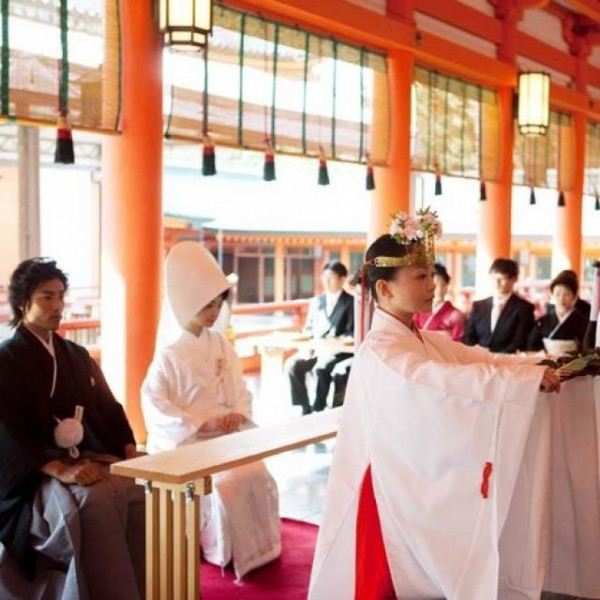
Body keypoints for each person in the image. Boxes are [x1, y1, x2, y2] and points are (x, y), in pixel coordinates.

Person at [309, 209, 561, 600]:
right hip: (386, 491)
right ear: (385, 290)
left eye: (431, 274)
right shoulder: (381, 351)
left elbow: (475, 359)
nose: (432, 284)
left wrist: (532, 366)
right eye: (420, 276)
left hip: (407, 476)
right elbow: (440, 380)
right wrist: (521, 380)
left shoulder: (418, 338)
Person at [0, 258, 144, 599]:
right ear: (23, 303)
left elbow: (108, 408)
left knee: (143, 486)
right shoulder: (5, 360)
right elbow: (3, 430)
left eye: (61, 296)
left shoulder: (76, 356)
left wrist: (127, 448)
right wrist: (58, 470)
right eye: (46, 297)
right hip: (34, 471)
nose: (58, 306)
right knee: (94, 502)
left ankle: (149, 588)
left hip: (83, 455)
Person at [141, 242, 280, 580]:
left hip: (226, 434)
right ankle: (221, 549)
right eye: (207, 305)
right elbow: (155, 404)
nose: (214, 312)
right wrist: (201, 423)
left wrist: (235, 414)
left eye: (218, 304)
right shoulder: (169, 355)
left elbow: (240, 392)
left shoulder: (221, 345)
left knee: (256, 472)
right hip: (190, 440)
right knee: (227, 481)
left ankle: (262, 549)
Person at [285, 261, 354, 415]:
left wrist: (335, 340)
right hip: (316, 350)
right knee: (292, 365)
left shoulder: (351, 301)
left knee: (321, 367)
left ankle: (319, 407)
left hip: (338, 353)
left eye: (331, 277)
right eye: (324, 278)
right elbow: (309, 328)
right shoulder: (317, 302)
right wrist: (307, 345)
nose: (327, 282)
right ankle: (304, 407)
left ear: (343, 279)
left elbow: (351, 332)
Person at [463, 258, 534, 353]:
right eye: (493, 278)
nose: (496, 283)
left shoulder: (524, 308)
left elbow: (520, 342)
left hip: (508, 362)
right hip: (478, 361)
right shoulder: (478, 306)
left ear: (513, 279)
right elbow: (469, 338)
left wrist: (495, 358)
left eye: (501, 278)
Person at [527, 271, 588, 353]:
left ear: (574, 296)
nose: (561, 299)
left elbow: (586, 348)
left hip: (573, 364)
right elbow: (531, 345)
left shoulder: (582, 322)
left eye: (566, 294)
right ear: (552, 295)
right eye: (558, 294)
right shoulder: (542, 321)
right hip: (547, 362)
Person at [413, 262, 465, 341]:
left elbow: (458, 344)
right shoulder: (418, 312)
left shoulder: (456, 316)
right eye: (435, 285)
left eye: (443, 285)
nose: (439, 289)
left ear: (447, 286)